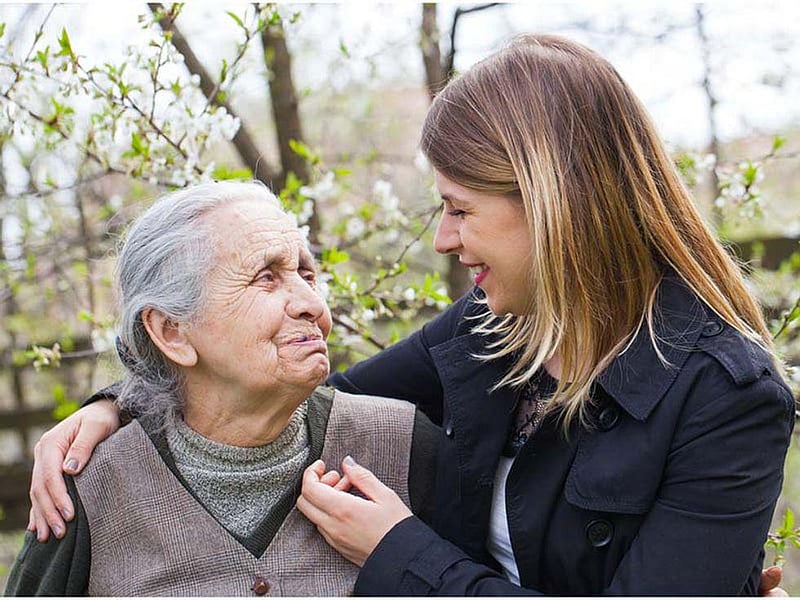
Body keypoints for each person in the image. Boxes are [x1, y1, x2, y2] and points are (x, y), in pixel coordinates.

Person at [21, 34, 794, 595]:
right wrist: (120, 402)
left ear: (554, 206)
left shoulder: (725, 396)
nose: (444, 239)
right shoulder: (494, 331)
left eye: (460, 209)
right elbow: (294, 393)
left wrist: (400, 551)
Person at [4, 182, 437, 596]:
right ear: (172, 332)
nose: (313, 304)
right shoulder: (90, 486)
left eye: (307, 274)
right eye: (266, 277)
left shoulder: (405, 444)